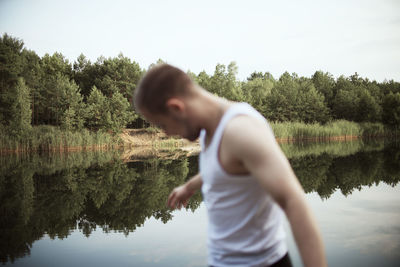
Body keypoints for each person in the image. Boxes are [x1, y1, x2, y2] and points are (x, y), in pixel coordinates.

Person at [134, 64, 327, 267]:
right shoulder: (209, 129)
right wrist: (188, 186)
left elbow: (293, 201)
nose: (166, 134)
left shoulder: (241, 130)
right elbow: (221, 170)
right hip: (223, 261)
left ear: (176, 107)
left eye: (162, 125)